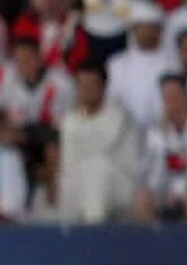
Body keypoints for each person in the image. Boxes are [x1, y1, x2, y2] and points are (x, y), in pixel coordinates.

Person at [58, 62, 139, 224]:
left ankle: (93, 234)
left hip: (119, 184)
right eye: (82, 84)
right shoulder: (69, 120)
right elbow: (69, 162)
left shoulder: (119, 117)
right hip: (79, 184)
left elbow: (99, 150)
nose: (86, 90)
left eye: (91, 85)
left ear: (103, 87)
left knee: (97, 168)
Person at [134, 73, 187, 222]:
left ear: (186, 96)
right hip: (165, 193)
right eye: (166, 97)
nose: (171, 101)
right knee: (141, 199)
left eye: (175, 95)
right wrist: (163, 137)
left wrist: (180, 192)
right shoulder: (156, 133)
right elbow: (148, 172)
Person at [106, 0, 173, 133]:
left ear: (160, 31)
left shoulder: (173, 64)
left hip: (163, 133)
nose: (148, 33)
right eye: (143, 28)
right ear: (134, 30)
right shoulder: (117, 64)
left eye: (153, 28)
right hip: (124, 132)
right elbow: (110, 101)